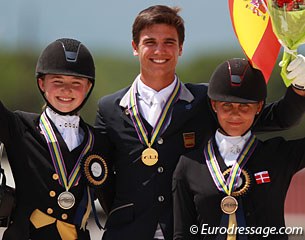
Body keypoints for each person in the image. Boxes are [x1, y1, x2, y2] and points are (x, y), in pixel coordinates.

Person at [95, 5, 305, 240]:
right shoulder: (109, 108)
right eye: (150, 42)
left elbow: (278, 119)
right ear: (135, 47)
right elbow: (101, 177)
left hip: (185, 230)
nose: (160, 50)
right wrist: (125, 212)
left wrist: (299, 88)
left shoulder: (207, 101)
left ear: (181, 48)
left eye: (169, 42)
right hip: (126, 233)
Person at [173, 58, 305, 240]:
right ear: (214, 105)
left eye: (245, 106)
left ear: (259, 107)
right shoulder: (189, 165)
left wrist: (301, 88)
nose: (235, 113)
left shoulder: (278, 155)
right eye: (227, 105)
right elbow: (182, 234)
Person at [0, 38, 113, 240]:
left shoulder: (98, 142)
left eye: (76, 83)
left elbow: (113, 201)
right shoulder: (19, 126)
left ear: (88, 87)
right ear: (42, 83)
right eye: (57, 81)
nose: (66, 89)